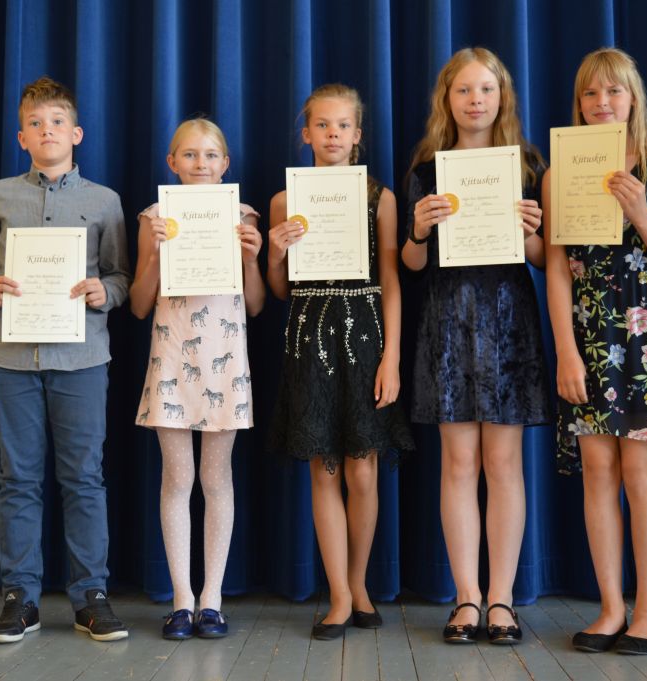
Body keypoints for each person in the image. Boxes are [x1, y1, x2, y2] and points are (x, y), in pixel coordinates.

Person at [0, 76, 131, 643]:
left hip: (82, 360)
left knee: (84, 478)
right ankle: (20, 599)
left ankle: (91, 597)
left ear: (76, 133)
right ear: (22, 137)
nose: (47, 130)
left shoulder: (104, 201)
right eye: (35, 124)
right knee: (18, 479)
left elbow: (120, 276)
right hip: (9, 360)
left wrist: (105, 292)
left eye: (57, 122)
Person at [544, 47, 647, 655]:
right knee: (598, 474)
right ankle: (610, 607)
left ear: (633, 98)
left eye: (613, 91)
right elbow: (558, 270)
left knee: (639, 474)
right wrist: (566, 351)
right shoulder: (561, 172)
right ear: (578, 103)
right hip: (589, 340)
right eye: (590, 92)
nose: (601, 102)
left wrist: (639, 212)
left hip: (646, 340)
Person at [402, 47, 551, 645]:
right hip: (448, 324)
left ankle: (502, 600)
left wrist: (532, 232)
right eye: (464, 90)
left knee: (504, 465)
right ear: (447, 98)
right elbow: (412, 263)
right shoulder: (426, 171)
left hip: (510, 323)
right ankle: (466, 597)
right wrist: (418, 230)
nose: (475, 100)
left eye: (486, 89)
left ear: (502, 97)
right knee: (458, 464)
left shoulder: (528, 168)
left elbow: (544, 259)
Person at [267, 83, 413, 641]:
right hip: (309, 339)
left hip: (366, 338)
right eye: (322, 125)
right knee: (324, 468)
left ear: (357, 135)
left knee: (363, 470)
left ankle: (359, 584)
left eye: (342, 125)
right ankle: (338, 595)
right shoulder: (285, 200)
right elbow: (280, 290)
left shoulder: (380, 197)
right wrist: (276, 253)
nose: (332, 134)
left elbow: (392, 279)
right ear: (306, 134)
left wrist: (392, 357)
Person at [130, 118, 265, 640]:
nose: (200, 163)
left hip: (224, 362)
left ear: (225, 164)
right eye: (189, 154)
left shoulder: (242, 215)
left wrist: (251, 259)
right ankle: (181, 600)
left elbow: (255, 304)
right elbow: (139, 304)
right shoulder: (155, 217)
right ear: (172, 163)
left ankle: (213, 599)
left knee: (216, 479)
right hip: (172, 359)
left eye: (210, 155)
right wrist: (157, 253)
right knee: (177, 479)